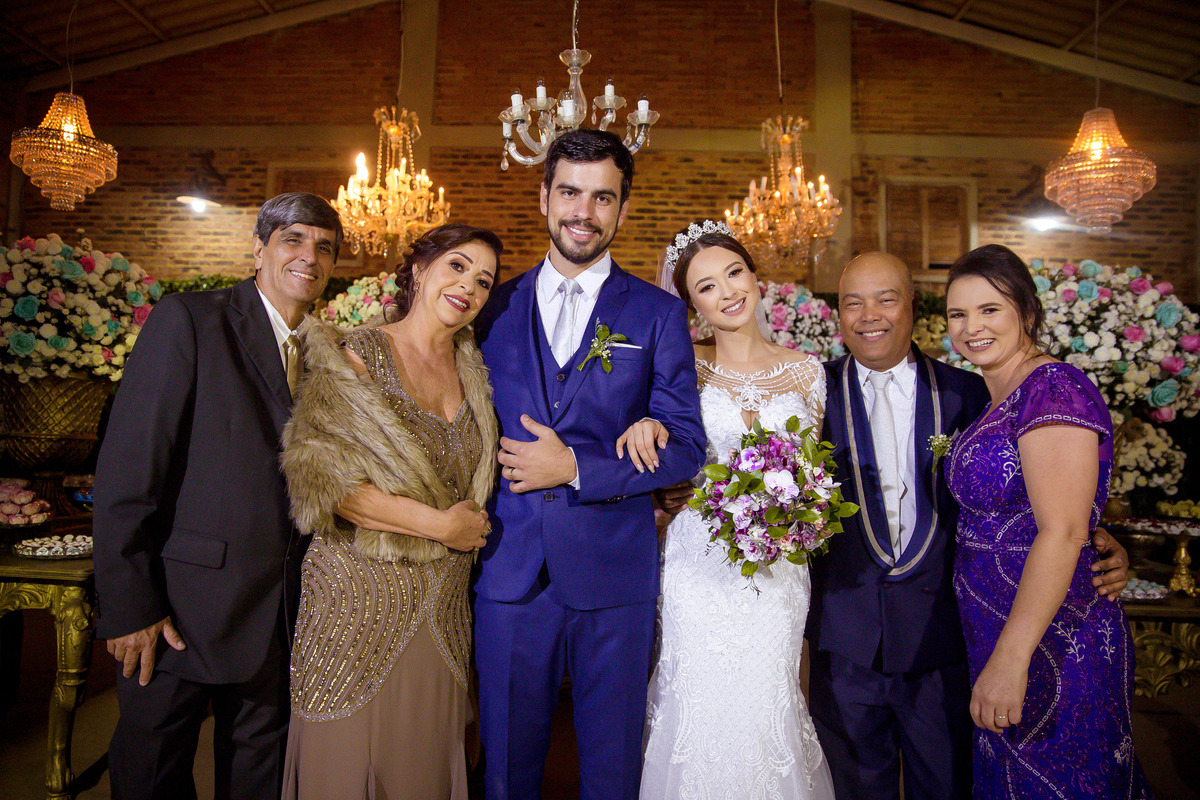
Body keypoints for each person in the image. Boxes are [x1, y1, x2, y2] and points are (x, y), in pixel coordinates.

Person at [804, 251, 1130, 800]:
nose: (869, 315)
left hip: (952, 642)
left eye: (886, 298)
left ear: (913, 306)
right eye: (853, 303)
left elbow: (1057, 500)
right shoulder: (806, 392)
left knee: (957, 786)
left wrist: (1094, 533)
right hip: (846, 642)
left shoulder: (973, 391)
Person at [472, 129, 706, 800]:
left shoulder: (659, 314)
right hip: (508, 570)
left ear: (622, 210)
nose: (584, 211)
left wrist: (575, 466)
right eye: (570, 192)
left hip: (615, 575)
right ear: (544, 196)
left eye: (603, 197)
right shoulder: (490, 307)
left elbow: (686, 445)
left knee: (611, 771)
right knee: (507, 769)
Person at [92, 192, 342, 799]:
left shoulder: (326, 353)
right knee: (152, 776)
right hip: (179, 613)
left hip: (279, 613)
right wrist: (131, 606)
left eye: (325, 248)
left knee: (258, 780)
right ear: (257, 249)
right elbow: (128, 473)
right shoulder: (190, 320)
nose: (309, 256)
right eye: (293, 239)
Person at [278, 224, 503, 799]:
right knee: (347, 764)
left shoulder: (477, 371)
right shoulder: (357, 353)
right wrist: (441, 527)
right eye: (456, 266)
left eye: (483, 280)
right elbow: (325, 484)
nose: (468, 286)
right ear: (420, 269)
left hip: (443, 604)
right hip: (357, 600)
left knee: (422, 764)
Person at [943, 244, 1151, 798]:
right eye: (958, 314)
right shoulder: (997, 395)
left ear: (1027, 314)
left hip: (1052, 637)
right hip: (998, 625)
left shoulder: (1052, 388)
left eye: (990, 309)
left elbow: (1062, 530)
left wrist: (1012, 658)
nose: (972, 327)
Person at [639, 221, 836, 798]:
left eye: (733, 273)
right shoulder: (683, 369)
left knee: (767, 695)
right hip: (697, 559)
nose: (727, 292)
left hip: (778, 567)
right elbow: (657, 452)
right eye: (705, 286)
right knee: (696, 697)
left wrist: (802, 509)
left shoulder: (806, 370)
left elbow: (812, 472)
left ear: (754, 276)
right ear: (690, 302)